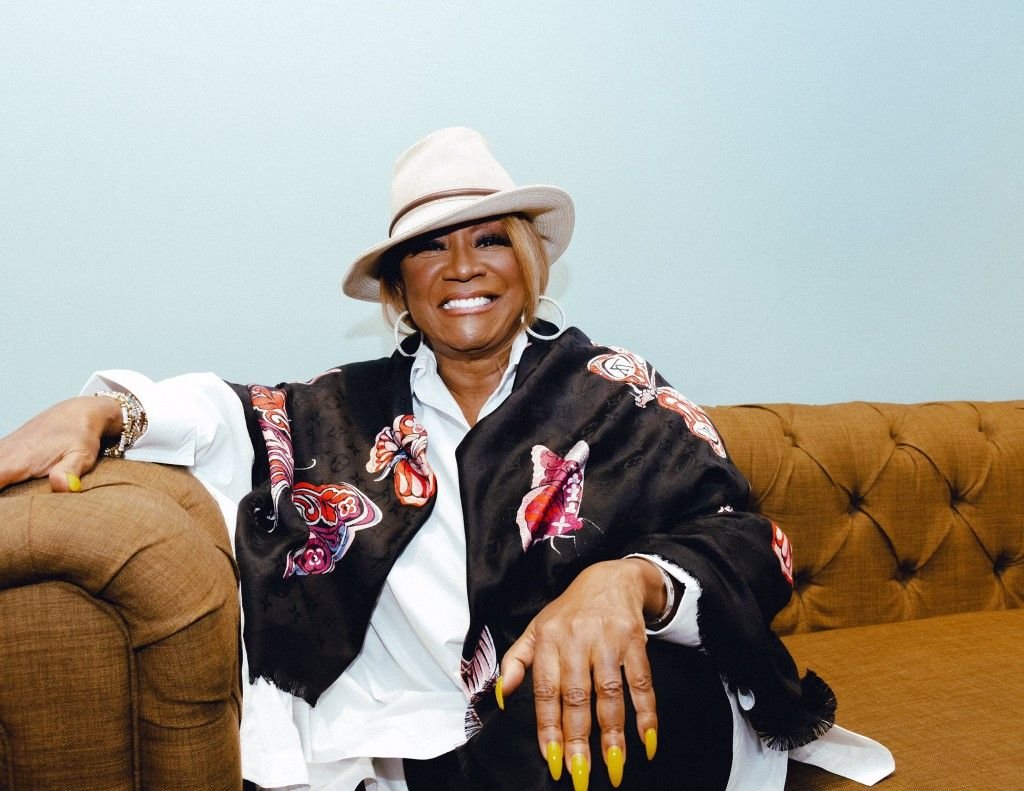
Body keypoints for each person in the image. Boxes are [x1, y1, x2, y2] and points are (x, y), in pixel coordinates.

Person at [0, 127, 892, 790]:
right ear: (399, 287)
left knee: (600, 707)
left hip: (599, 721)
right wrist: (105, 409)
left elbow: (743, 539)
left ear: (530, 265)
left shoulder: (614, 390)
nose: (463, 266)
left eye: (491, 238)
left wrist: (626, 582)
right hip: (423, 743)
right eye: (431, 246)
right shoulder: (342, 413)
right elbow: (217, 414)